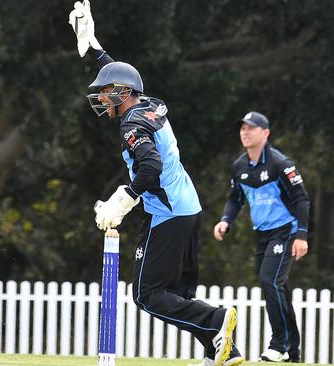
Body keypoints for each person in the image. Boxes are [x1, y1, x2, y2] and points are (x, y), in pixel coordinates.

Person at [68, 2, 243, 366]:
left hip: (169, 214)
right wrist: (93, 47)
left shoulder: (131, 125)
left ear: (121, 92)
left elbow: (149, 168)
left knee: (147, 295)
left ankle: (215, 321)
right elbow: (121, 75)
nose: (101, 98)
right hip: (189, 209)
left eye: (105, 92)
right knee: (178, 296)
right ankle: (222, 351)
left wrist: (124, 198)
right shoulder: (148, 103)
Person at [213, 111, 309, 363]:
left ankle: (278, 345)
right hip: (262, 235)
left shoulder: (281, 164)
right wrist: (225, 220)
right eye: (242, 128)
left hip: (286, 230)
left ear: (265, 133)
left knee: (270, 280)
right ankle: (293, 352)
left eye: (251, 128)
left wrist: (302, 235)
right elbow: (235, 198)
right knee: (278, 287)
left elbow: (301, 199)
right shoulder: (239, 166)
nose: (245, 132)